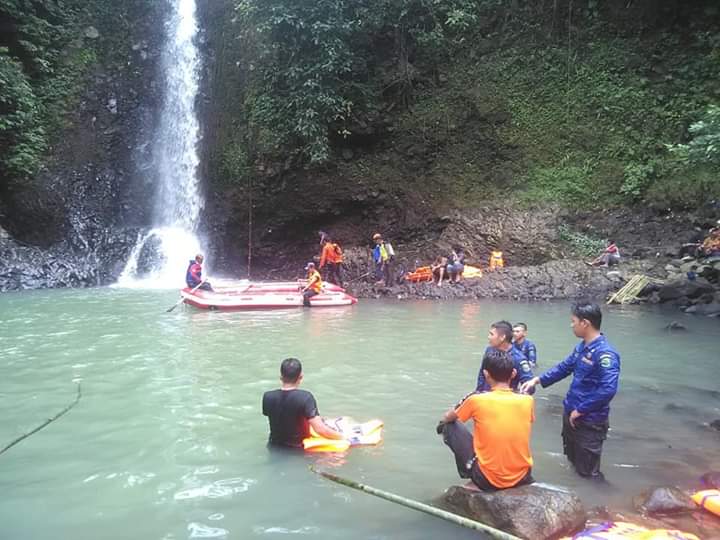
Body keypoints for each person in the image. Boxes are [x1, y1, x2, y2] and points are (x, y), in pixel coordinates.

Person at [520, 302, 620, 479]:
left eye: (573, 321)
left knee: (589, 473)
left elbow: (608, 389)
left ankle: (600, 502)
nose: (571, 324)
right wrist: (537, 380)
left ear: (585, 323)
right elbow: (565, 367)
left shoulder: (605, 354)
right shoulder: (582, 346)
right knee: (574, 463)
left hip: (589, 419)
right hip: (572, 412)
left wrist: (581, 410)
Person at [438, 349, 535, 491]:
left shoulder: (476, 400)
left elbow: (448, 417)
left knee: (449, 426)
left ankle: (472, 476)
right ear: (513, 374)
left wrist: (449, 415)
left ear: (486, 374)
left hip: (489, 480)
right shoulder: (528, 400)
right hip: (523, 476)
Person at [262, 358, 344, 448]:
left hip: (274, 446)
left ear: (281, 377)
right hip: (299, 450)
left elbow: (283, 415)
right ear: (300, 377)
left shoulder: (267, 397)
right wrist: (343, 437)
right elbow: (320, 430)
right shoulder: (305, 397)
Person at [477, 321, 534, 393]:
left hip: (506, 399)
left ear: (502, 337)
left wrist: (515, 395)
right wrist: (478, 392)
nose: (489, 337)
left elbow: (530, 387)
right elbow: (482, 374)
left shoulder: (518, 358)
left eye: (491, 334)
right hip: (485, 397)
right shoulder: (489, 350)